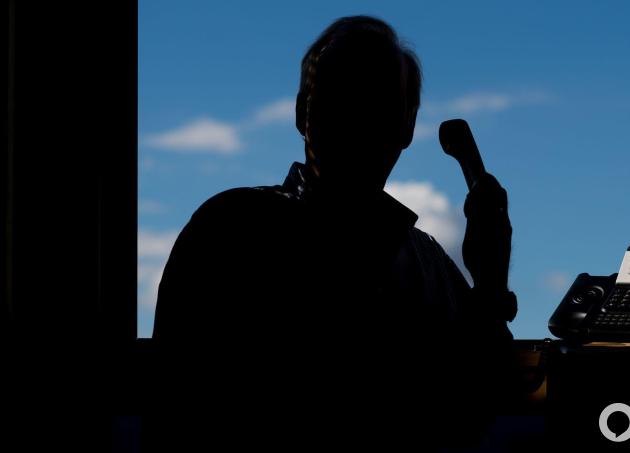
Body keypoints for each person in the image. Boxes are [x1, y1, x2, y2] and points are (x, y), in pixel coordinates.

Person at [148, 15, 519, 452]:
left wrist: (490, 286)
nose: (358, 113)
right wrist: (489, 288)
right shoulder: (228, 232)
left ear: (407, 126)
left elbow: (477, 408)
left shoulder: (430, 264)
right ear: (301, 112)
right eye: (341, 91)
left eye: (378, 97)